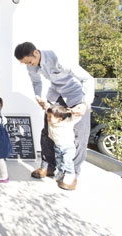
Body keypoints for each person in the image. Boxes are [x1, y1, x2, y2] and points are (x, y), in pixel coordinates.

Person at [14, 42, 94, 190]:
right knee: (48, 131)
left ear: (36, 53)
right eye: (25, 63)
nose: (29, 65)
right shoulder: (30, 64)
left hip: (76, 96)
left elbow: (88, 79)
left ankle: (73, 174)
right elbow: (36, 81)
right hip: (56, 94)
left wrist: (85, 104)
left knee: (79, 136)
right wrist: (38, 96)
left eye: (29, 61)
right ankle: (48, 166)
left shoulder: (59, 59)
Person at [41, 99, 87, 190]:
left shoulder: (67, 122)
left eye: (50, 117)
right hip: (57, 147)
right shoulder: (51, 123)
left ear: (59, 118)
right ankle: (61, 174)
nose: (48, 118)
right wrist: (44, 104)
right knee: (59, 162)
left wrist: (74, 111)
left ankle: (70, 175)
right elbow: (47, 109)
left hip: (68, 148)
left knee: (67, 162)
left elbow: (76, 117)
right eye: (48, 116)